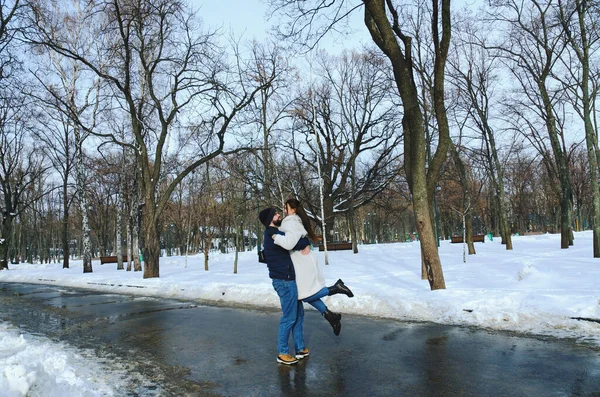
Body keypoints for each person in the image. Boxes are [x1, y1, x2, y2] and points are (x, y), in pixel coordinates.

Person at [272, 198, 354, 336]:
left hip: (301, 263)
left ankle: (335, 288)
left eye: (286, 208)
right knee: (303, 294)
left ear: (293, 209)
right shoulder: (295, 221)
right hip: (302, 261)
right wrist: (306, 243)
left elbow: (288, 244)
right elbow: (299, 238)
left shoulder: (290, 222)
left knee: (302, 295)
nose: (284, 211)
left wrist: (275, 236)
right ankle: (329, 315)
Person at [259, 207, 311, 365]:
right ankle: (282, 352)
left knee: (298, 314)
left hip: (288, 279)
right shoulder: (272, 233)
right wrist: (306, 242)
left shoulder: (276, 232)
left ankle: (300, 348)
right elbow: (296, 242)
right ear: (270, 219)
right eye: (275, 214)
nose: (279, 214)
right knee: (289, 317)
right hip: (284, 280)